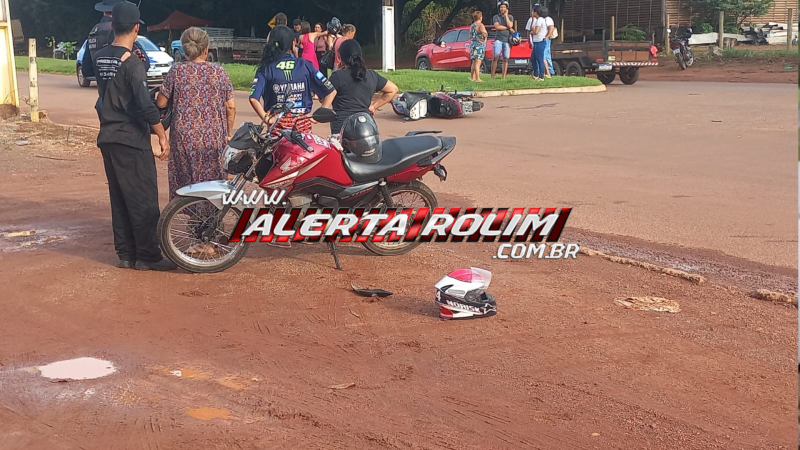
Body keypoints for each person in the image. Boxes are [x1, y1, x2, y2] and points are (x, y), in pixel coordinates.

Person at [93, 1, 175, 272]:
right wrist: (162, 135)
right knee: (142, 198)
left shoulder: (100, 56)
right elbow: (142, 104)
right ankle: (148, 257)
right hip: (130, 138)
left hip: (108, 136)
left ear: (113, 24)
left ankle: (126, 254)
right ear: (137, 28)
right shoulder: (133, 64)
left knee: (119, 197)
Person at [156, 27, 236, 203]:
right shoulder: (219, 72)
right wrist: (228, 133)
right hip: (214, 138)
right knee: (213, 183)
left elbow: (161, 103)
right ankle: (213, 222)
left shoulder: (177, 71)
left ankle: (193, 221)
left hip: (184, 138)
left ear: (185, 49)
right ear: (206, 49)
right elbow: (230, 107)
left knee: (188, 183)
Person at [249, 25, 336, 135]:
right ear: (293, 43)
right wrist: (317, 117)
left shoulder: (266, 68)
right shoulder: (305, 65)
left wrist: (267, 119)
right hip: (303, 134)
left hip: (278, 133)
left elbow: (253, 98)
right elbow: (331, 91)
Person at [329, 39, 398, 139]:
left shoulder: (337, 76)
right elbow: (393, 89)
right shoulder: (372, 75)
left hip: (341, 132)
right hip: (367, 130)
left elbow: (325, 97)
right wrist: (374, 106)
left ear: (340, 57)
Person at [82, 0, 149, 81]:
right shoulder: (121, 30)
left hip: (103, 89)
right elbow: (145, 64)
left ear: (103, 9)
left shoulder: (94, 31)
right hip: (123, 88)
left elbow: (87, 70)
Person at [491, 1, 514, 79]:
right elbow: (497, 27)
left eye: (504, 7)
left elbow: (510, 24)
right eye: (501, 7)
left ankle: (503, 76)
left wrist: (506, 15)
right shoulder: (496, 17)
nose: (502, 9)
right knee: (496, 57)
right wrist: (508, 28)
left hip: (507, 40)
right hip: (498, 39)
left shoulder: (510, 17)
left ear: (507, 8)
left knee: (506, 58)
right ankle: (492, 76)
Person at [527, 6, 547, 81]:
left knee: (539, 59)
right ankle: (535, 74)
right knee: (533, 58)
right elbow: (531, 28)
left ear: (536, 12)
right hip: (536, 42)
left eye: (533, 12)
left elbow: (536, 31)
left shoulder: (540, 20)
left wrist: (532, 32)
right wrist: (532, 20)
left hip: (540, 41)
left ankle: (541, 76)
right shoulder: (536, 20)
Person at [469, 10, 488, 82]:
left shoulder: (472, 26)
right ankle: (478, 78)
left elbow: (470, 36)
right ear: (480, 17)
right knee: (478, 62)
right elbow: (484, 33)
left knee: (474, 62)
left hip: (473, 44)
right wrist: (483, 39)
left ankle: (472, 77)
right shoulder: (480, 25)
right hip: (479, 45)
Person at [541, 7, 556, 77]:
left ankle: (550, 71)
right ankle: (550, 71)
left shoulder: (548, 19)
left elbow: (551, 28)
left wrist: (546, 37)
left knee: (545, 55)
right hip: (543, 39)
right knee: (546, 55)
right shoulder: (542, 19)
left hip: (546, 40)